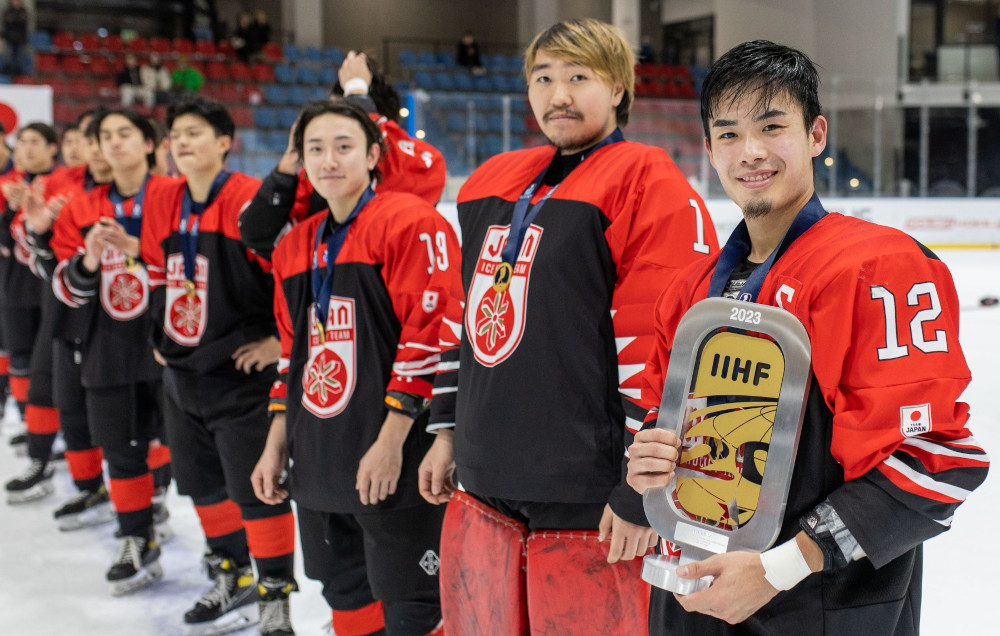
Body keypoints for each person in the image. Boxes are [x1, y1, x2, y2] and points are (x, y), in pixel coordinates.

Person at [626, 40, 990, 635]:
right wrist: (651, 462)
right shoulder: (692, 290)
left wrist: (780, 567)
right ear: (709, 151)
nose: (752, 152)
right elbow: (659, 427)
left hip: (818, 607)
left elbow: (936, 460)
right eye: (729, 134)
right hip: (693, 600)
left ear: (817, 134)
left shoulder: (876, 268)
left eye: (773, 127)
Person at [416, 18, 717, 633]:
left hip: (591, 496)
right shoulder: (487, 183)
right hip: (486, 481)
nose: (558, 94)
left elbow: (666, 353)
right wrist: (447, 431)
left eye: (579, 77)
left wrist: (642, 493)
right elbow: (467, 322)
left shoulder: (645, 180)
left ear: (618, 89)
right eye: (544, 77)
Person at [252, 98, 460, 636]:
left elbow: (429, 340)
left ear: (373, 155)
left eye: (343, 147)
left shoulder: (411, 222)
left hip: (394, 451)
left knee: (412, 598)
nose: (328, 160)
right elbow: (293, 353)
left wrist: (391, 441)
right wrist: (277, 441)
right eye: (314, 149)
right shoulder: (295, 245)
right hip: (319, 454)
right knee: (343, 587)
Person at [141, 95, 297, 636]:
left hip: (242, 376)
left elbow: (295, 273)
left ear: (225, 143)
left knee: (259, 491)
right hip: (183, 376)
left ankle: (276, 595)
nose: (181, 143)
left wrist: (282, 342)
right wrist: (158, 336)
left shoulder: (250, 198)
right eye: (175, 134)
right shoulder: (162, 197)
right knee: (205, 488)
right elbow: (157, 274)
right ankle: (232, 573)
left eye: (194, 133)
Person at [38, 109, 176, 594]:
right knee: (119, 448)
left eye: (125, 134)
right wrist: (90, 260)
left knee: (184, 449)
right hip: (107, 347)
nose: (113, 144)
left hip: (167, 346)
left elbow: (199, 266)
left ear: (150, 144)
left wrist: (140, 246)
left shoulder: (175, 198)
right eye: (105, 136)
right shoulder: (82, 206)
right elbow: (65, 290)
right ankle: (137, 536)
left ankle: (227, 558)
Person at [239, 50, 446, 258]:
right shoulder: (315, 177)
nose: (330, 160)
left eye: (343, 143)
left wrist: (356, 93)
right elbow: (258, 237)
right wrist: (289, 163)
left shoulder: (420, 160)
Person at [0, 123, 70, 503]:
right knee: (27, 364)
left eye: (34, 142)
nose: (25, 149)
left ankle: (52, 447)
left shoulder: (62, 182)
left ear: (52, 148)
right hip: (17, 286)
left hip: (54, 294)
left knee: (53, 376)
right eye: (21, 142)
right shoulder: (10, 183)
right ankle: (38, 440)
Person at [1, 0, 28, 76]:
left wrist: (14, 19)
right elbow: (7, 23)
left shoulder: (23, 11)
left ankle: (18, 75)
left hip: (20, 39)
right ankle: (6, 74)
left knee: (19, 59)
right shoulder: (8, 11)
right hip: (9, 38)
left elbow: (23, 23)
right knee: (7, 58)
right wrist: (17, 19)